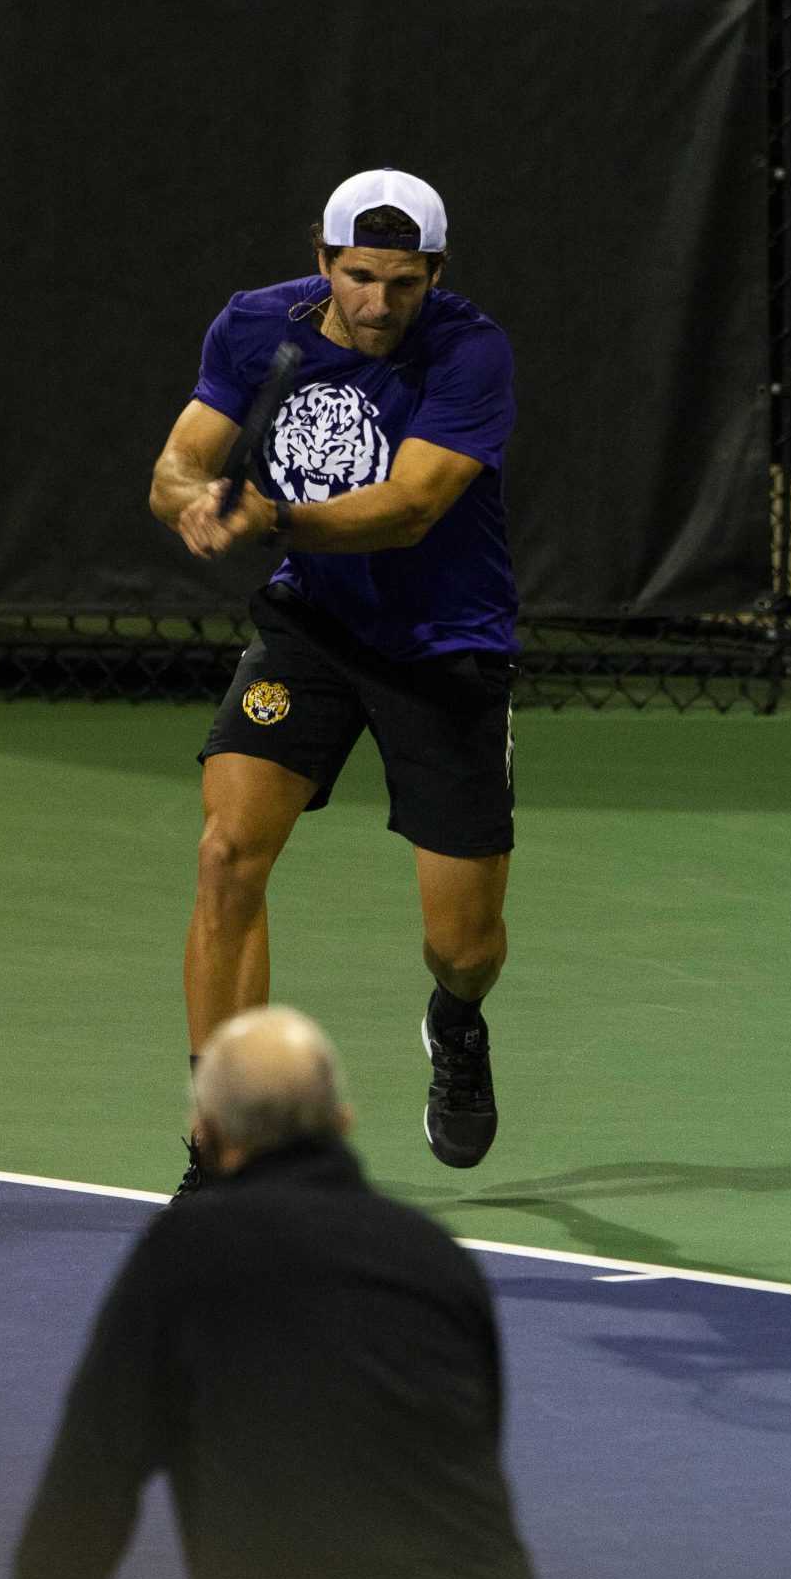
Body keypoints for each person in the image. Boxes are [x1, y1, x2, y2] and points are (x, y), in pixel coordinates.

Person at [148, 169, 517, 1190]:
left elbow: (409, 508)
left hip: (446, 645)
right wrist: (197, 496)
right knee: (228, 853)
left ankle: (456, 1019)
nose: (378, 304)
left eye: (404, 282)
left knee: (465, 942)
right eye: (359, 277)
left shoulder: (470, 349)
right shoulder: (254, 326)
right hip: (310, 625)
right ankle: (222, 1146)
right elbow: (174, 467)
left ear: (434, 274)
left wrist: (273, 515)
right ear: (322, 260)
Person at [10, 1008, 542, 1579]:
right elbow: (477, 1445)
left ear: (205, 1130)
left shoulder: (183, 1257)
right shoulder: (438, 1258)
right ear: (343, 1121)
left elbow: (87, 1493)